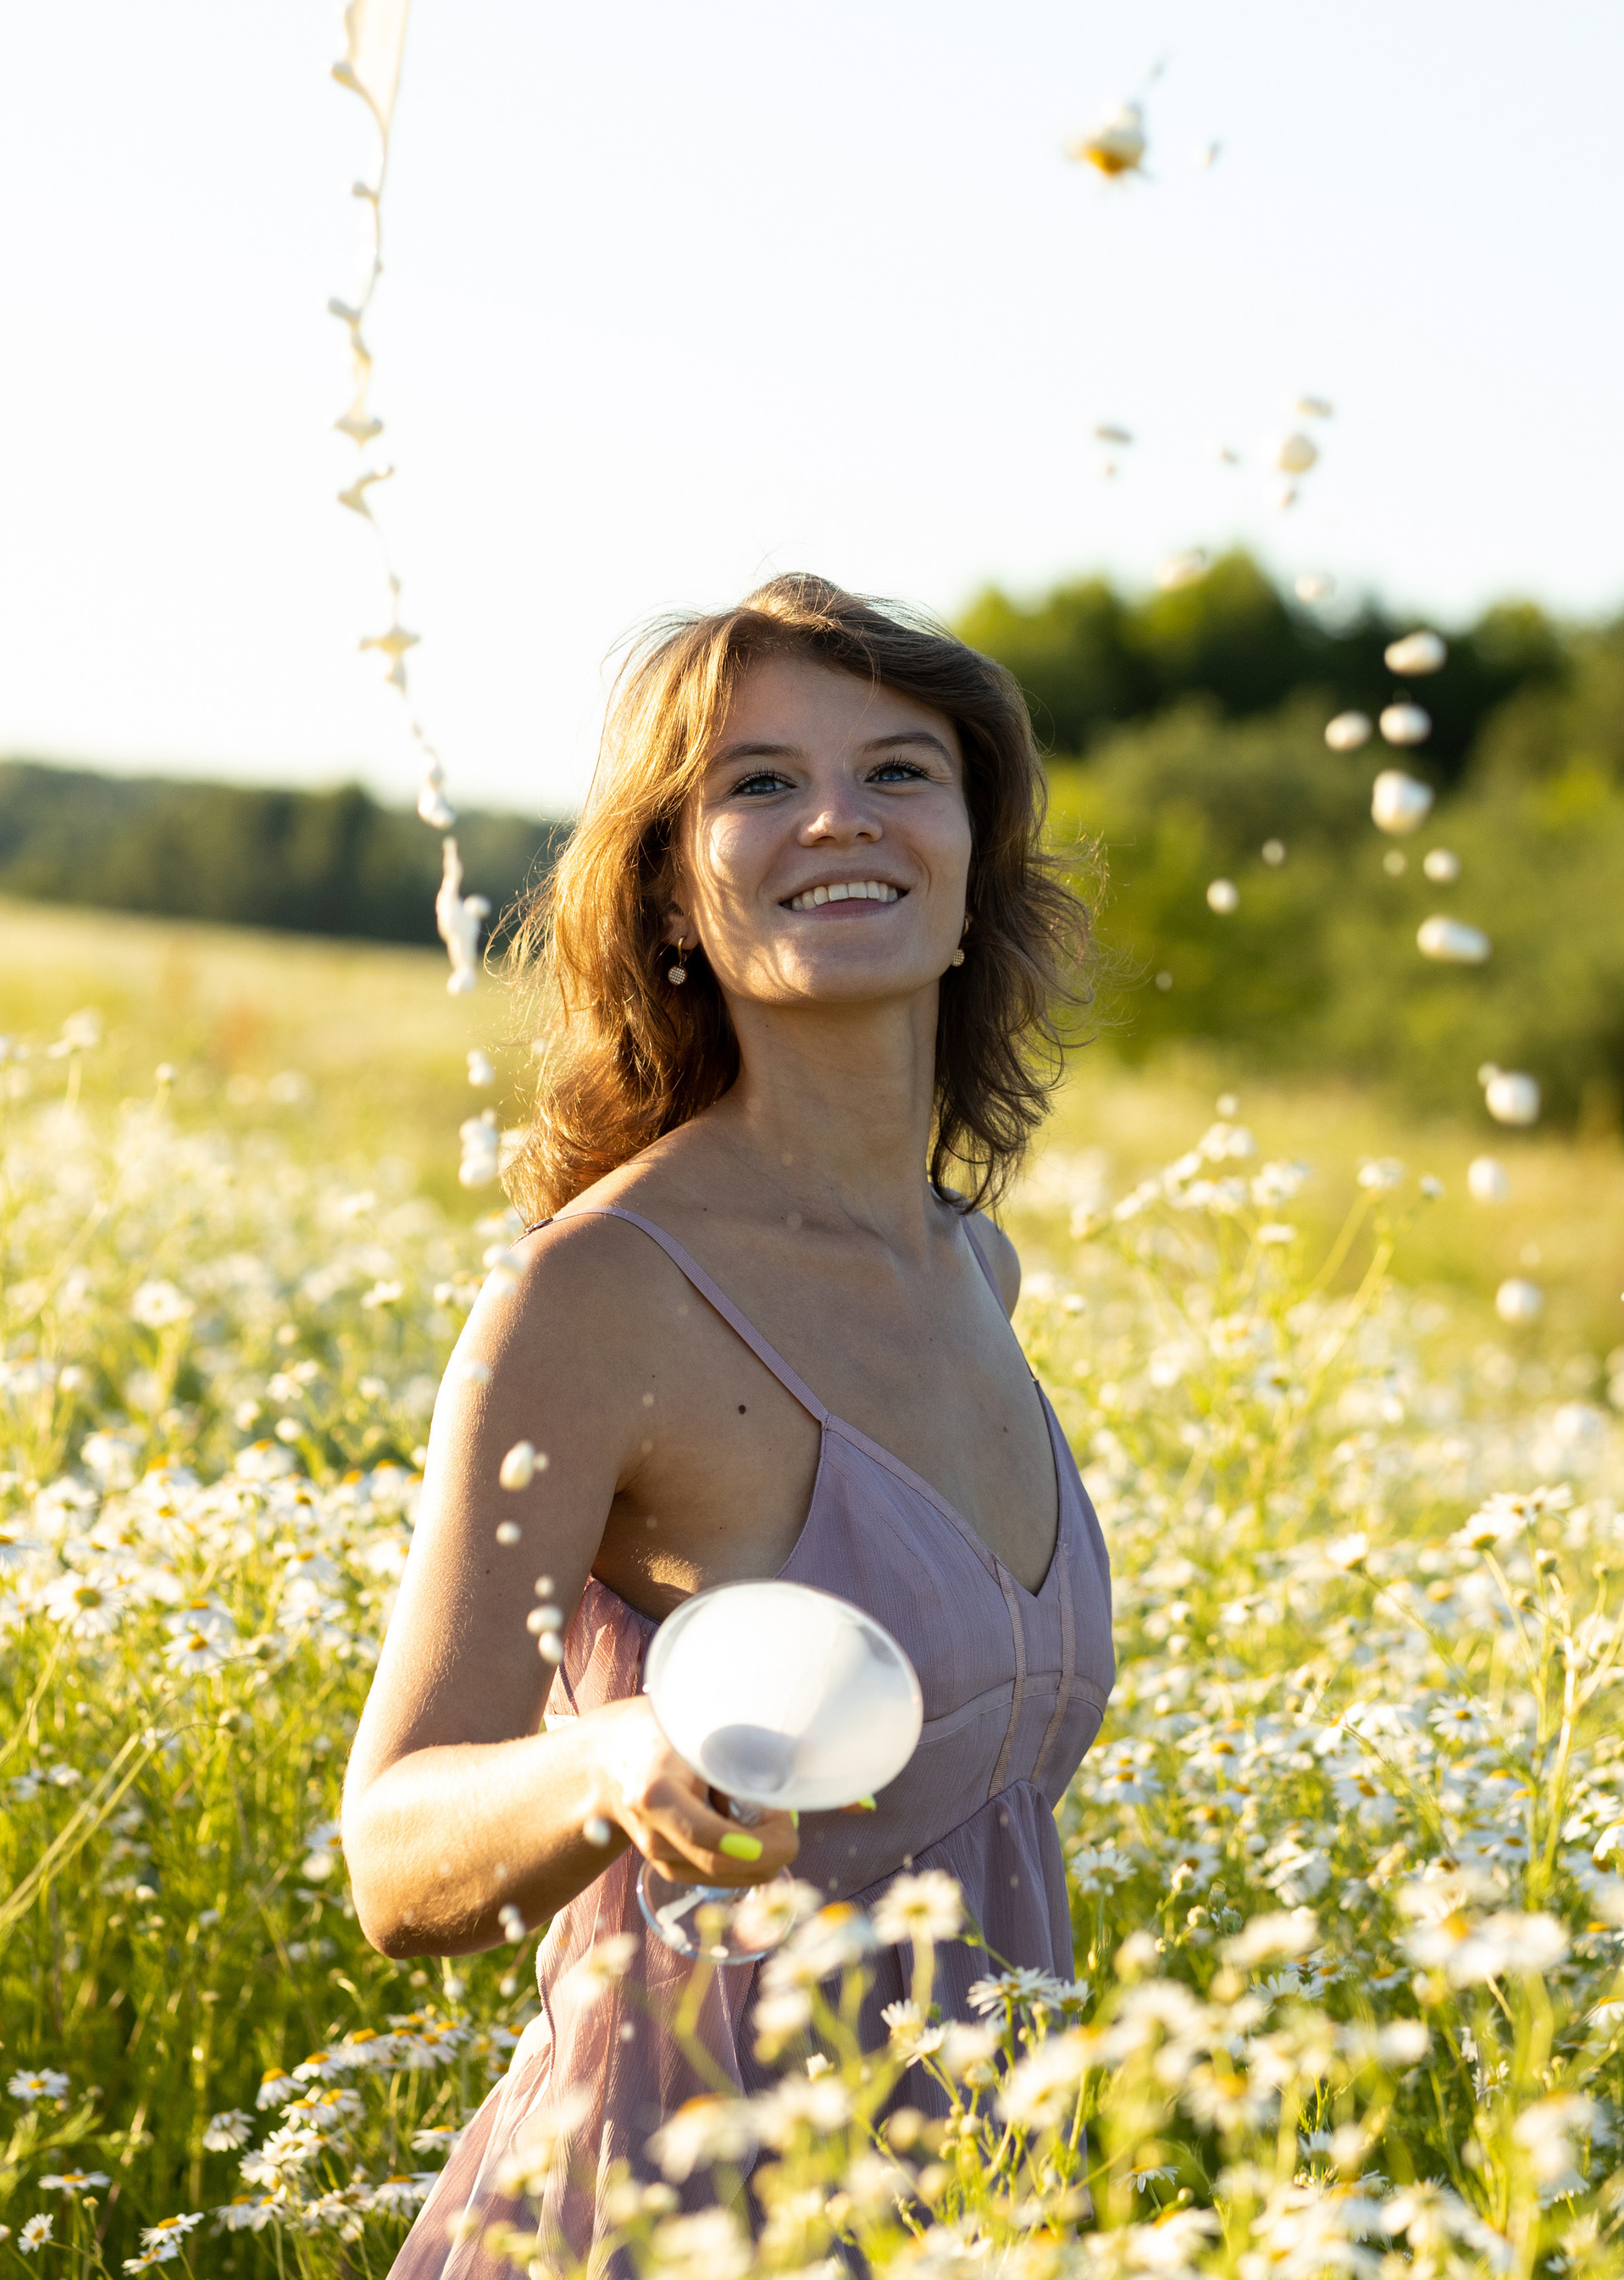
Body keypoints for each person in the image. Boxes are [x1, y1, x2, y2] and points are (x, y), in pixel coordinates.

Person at [342, 576, 1113, 2274]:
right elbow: (394, 1858)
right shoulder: (596, 1297)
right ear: (675, 894)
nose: (835, 812)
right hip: (660, 2221)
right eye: (755, 782)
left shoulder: (972, 1265)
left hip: (956, 2222)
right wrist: (605, 1760)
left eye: (900, 770)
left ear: (974, 861)